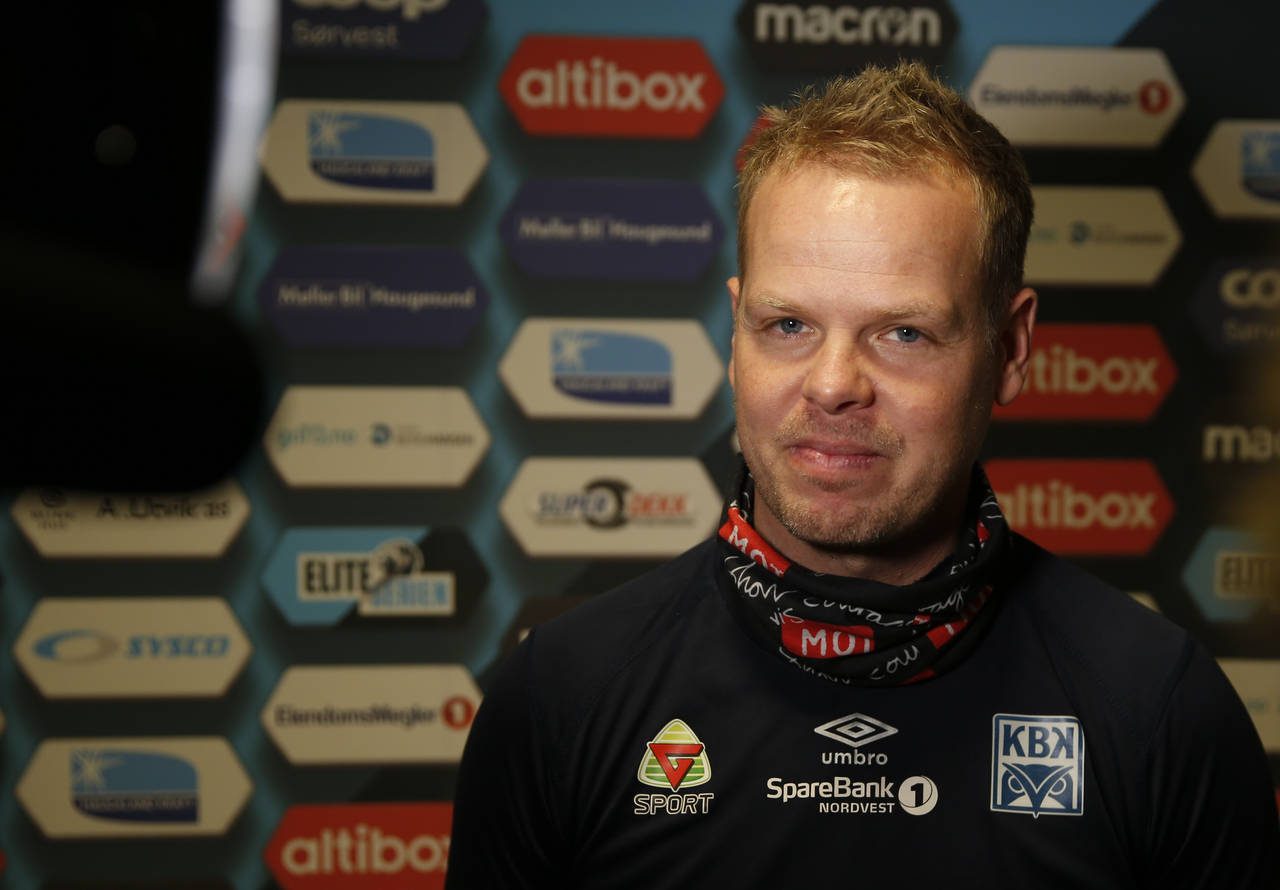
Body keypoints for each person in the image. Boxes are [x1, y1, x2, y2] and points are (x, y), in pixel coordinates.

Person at [446, 61, 1280, 888]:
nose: (834, 384)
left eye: (904, 334)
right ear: (734, 332)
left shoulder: (1160, 708)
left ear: (1011, 351)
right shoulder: (559, 698)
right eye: (788, 324)